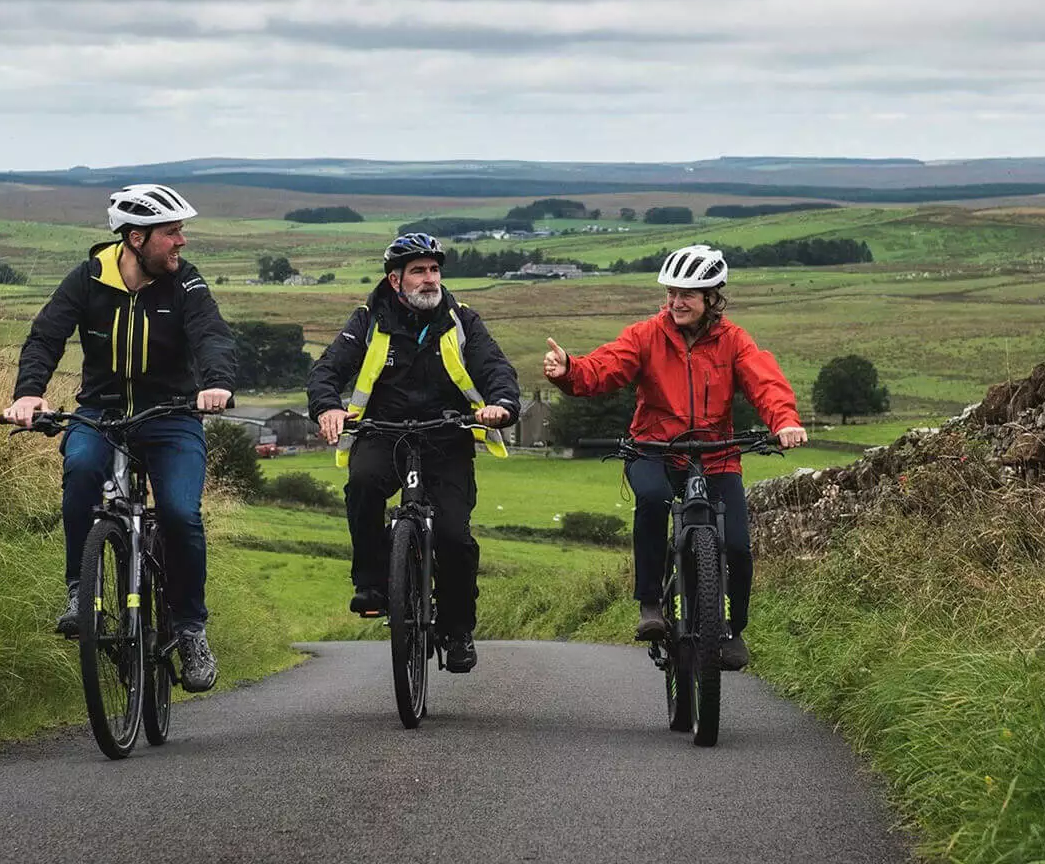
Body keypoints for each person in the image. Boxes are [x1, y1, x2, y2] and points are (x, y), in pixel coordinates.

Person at [2, 184, 237, 692]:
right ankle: (78, 594)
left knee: (179, 512)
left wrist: (216, 383)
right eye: (172, 233)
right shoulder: (87, 280)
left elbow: (212, 334)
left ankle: (191, 627)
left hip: (173, 415)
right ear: (136, 237)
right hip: (101, 413)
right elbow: (46, 336)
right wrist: (28, 394)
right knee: (82, 470)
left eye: (181, 231)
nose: (182, 242)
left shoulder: (186, 284)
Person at [541, 244, 807, 670]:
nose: (676, 302)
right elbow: (606, 367)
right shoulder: (647, 335)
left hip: (715, 453)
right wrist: (570, 369)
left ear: (711, 299)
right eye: (671, 293)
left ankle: (734, 630)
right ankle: (650, 604)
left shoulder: (734, 341)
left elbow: (765, 382)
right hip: (655, 447)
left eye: (688, 294)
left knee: (737, 546)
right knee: (652, 499)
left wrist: (785, 421)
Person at [306, 233, 519, 672]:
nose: (429, 279)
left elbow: (494, 366)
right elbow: (328, 369)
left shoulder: (463, 320)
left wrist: (503, 405)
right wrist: (327, 406)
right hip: (383, 432)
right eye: (418, 271)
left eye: (434, 270)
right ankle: (371, 583)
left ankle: (459, 630)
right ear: (395, 279)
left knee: (455, 538)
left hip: (447, 436)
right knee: (363, 485)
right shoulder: (368, 320)